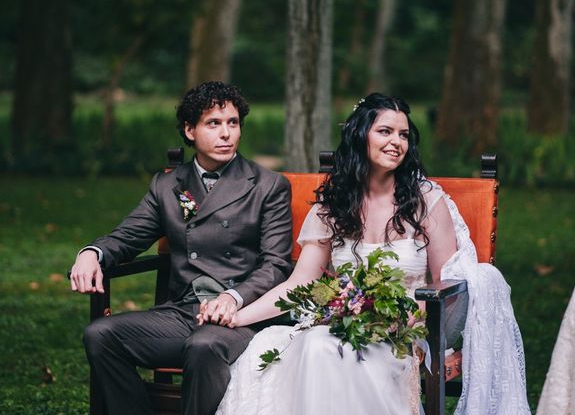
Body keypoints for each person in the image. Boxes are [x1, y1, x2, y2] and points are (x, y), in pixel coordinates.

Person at [214, 93, 531, 415]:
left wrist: (403, 322)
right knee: (315, 345)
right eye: (385, 131)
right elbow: (300, 284)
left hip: (403, 333)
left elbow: (445, 284)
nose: (397, 142)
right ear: (359, 135)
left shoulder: (426, 201)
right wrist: (238, 317)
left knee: (329, 350)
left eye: (403, 135)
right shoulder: (333, 207)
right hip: (339, 327)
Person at [69, 81, 293, 415]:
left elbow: (275, 265)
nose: (226, 134)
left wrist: (232, 299)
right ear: (190, 131)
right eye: (213, 124)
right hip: (184, 311)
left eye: (233, 123)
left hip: (242, 316)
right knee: (100, 335)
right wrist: (92, 253)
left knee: (204, 345)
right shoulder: (167, 185)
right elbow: (128, 236)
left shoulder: (267, 185)